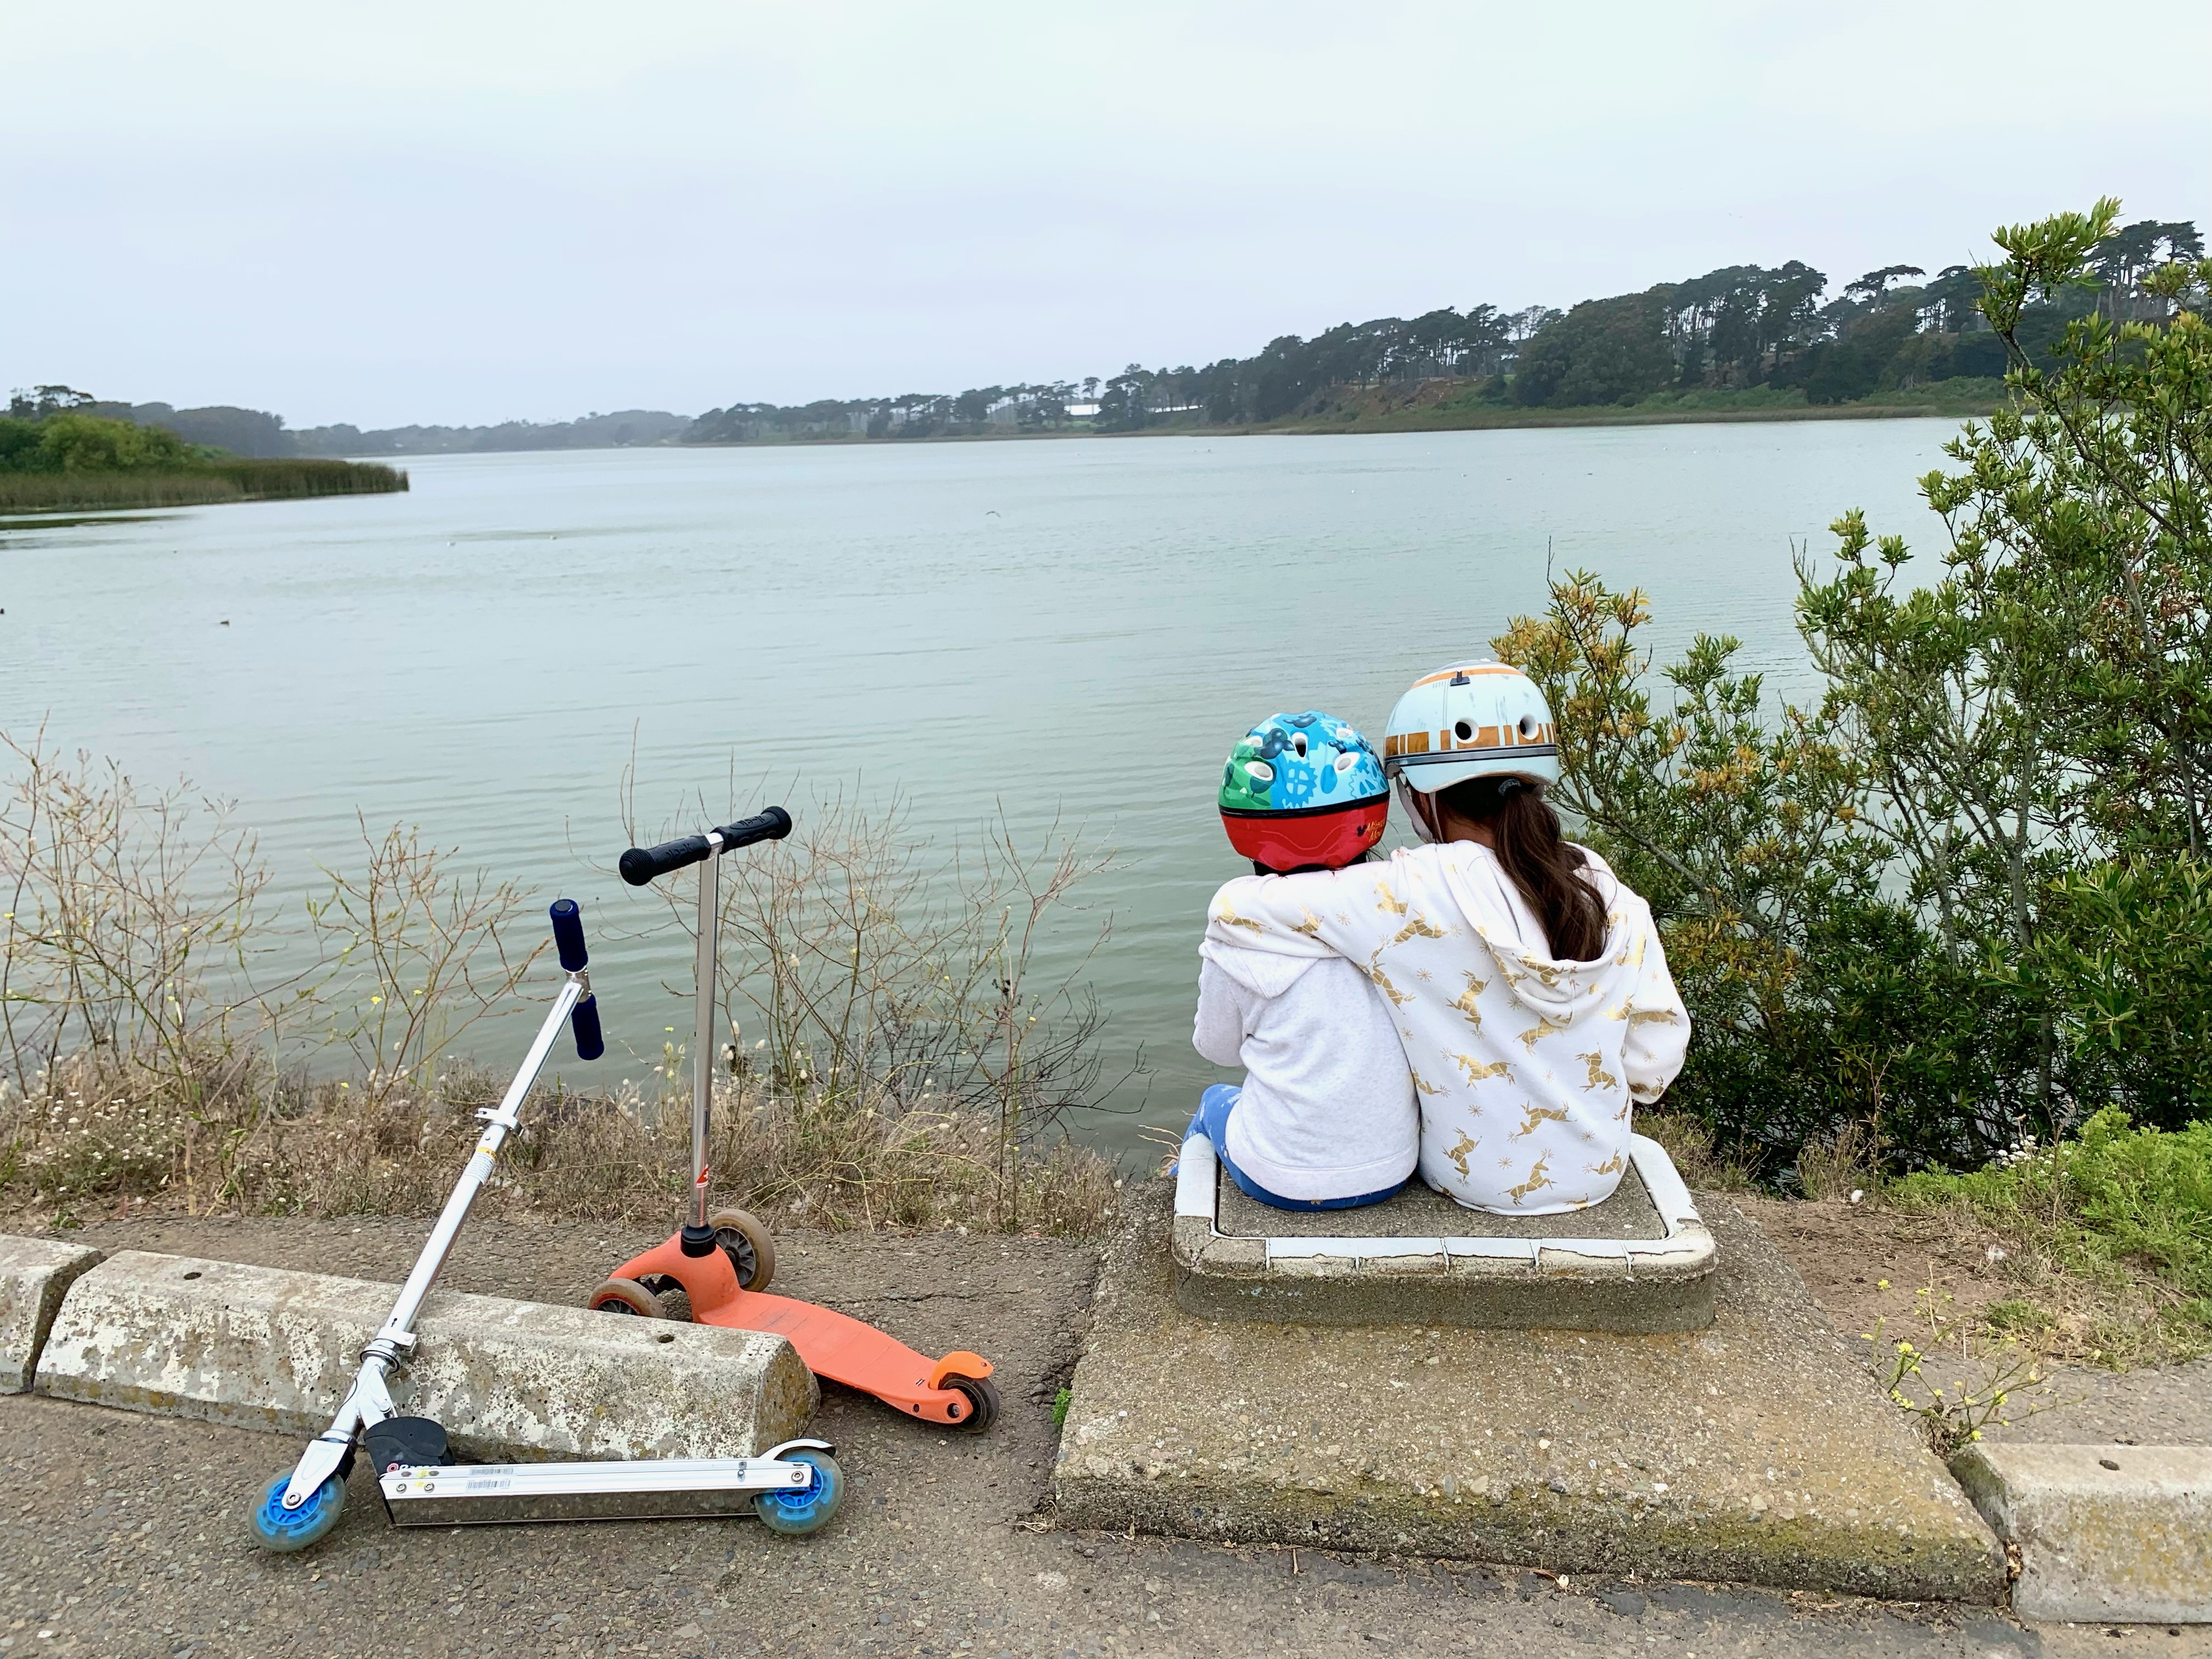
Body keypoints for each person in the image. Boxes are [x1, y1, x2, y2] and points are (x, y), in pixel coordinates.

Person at [1203, 664, 1689, 1214]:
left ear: (1424, 797)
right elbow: (1653, 1065)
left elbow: (1238, 911)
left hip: (1467, 1179)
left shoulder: (1412, 890)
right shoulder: (1605, 890)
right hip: (1598, 1174)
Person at [1188, 710, 1418, 1211]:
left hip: (1278, 1177)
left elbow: (1217, 1048)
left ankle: (1180, 1204)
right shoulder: (1405, 917)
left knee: (1211, 1106)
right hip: (1396, 1167)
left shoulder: (1237, 932)